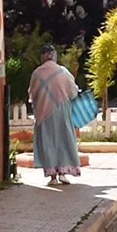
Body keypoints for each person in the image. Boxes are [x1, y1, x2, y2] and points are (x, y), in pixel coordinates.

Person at [29, 47, 84, 185]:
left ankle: (52, 176)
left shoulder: (36, 73)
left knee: (48, 141)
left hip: (43, 112)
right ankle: (63, 173)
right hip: (62, 110)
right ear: (54, 56)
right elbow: (73, 91)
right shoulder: (62, 71)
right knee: (63, 139)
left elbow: (32, 94)